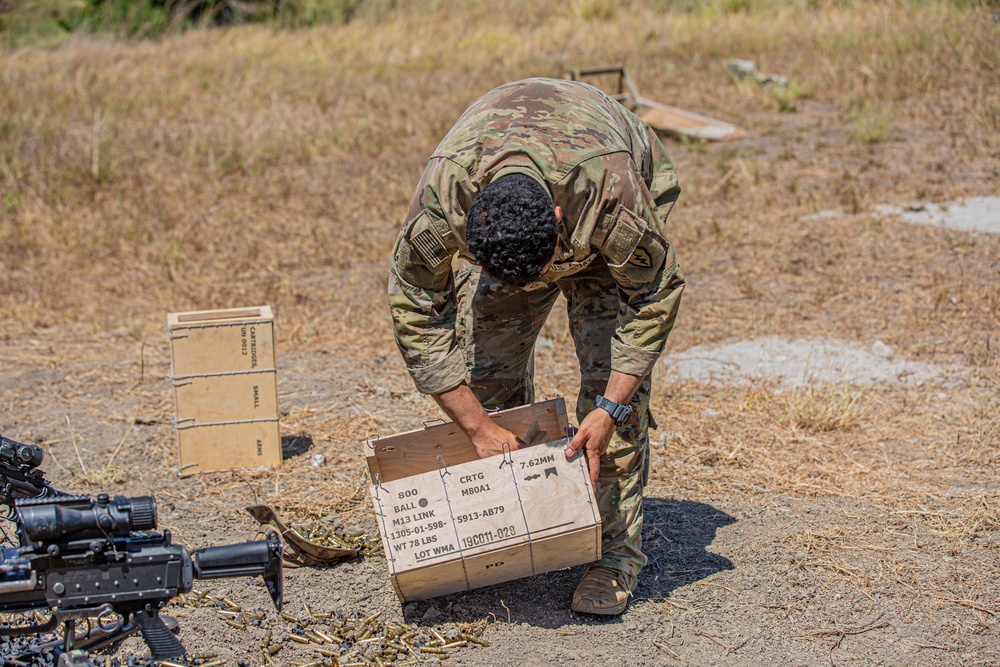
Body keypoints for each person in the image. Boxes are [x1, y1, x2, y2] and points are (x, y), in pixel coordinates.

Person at [387, 77, 684, 616]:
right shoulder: (448, 195)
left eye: (542, 272)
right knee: (488, 387)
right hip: (517, 229)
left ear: (556, 224)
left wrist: (610, 408)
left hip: (601, 223)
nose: (537, 286)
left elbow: (654, 293)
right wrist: (477, 427)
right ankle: (512, 530)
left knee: (608, 394)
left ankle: (615, 556)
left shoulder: (609, 191)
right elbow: (414, 307)